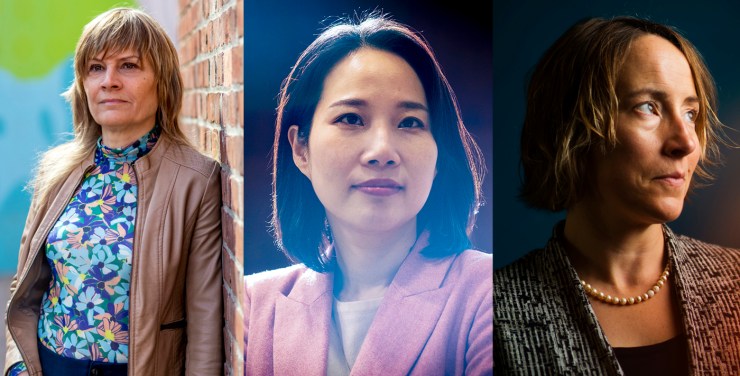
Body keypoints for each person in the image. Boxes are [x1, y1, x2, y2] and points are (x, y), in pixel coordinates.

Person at [242, 13, 492, 375]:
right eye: (351, 119)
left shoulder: (491, 293)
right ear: (300, 149)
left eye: (410, 123)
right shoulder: (250, 306)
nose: (382, 151)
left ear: (439, 155)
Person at [494, 16, 740, 374]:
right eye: (648, 107)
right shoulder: (493, 313)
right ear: (573, 130)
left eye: (691, 113)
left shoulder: (734, 283)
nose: (686, 142)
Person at [4, 7, 223, 376]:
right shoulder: (56, 171)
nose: (109, 81)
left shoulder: (196, 180)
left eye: (129, 66)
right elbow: (25, 289)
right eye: (95, 68)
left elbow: (204, 320)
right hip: (50, 366)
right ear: (83, 85)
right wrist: (16, 367)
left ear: (162, 81)